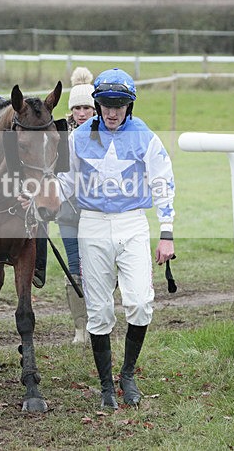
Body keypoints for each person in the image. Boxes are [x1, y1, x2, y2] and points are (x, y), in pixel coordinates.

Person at [58, 68, 176, 409]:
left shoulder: (145, 137)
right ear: (96, 104)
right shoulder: (78, 138)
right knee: (99, 311)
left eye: (119, 105)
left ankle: (127, 373)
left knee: (139, 302)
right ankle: (106, 385)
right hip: (92, 225)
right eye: (106, 104)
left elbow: (163, 184)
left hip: (132, 224)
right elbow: (65, 183)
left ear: (129, 107)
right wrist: (40, 194)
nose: (112, 112)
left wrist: (166, 234)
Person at [56, 66, 96, 343]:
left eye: (87, 107)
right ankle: (80, 326)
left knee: (100, 268)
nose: (82, 113)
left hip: (97, 214)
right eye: (77, 108)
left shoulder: (104, 133)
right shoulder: (57, 134)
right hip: (68, 214)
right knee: (75, 270)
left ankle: (99, 316)